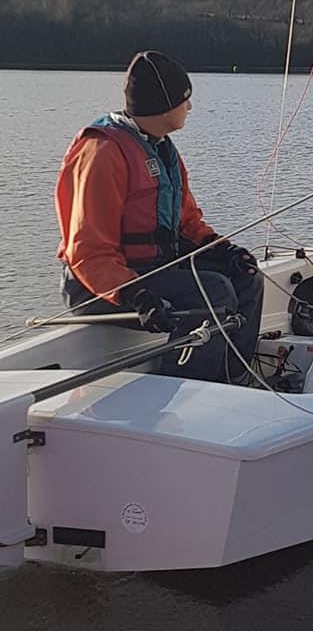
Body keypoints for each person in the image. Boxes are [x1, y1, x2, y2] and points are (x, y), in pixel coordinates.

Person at [55, 50, 264, 382]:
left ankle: (234, 380)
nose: (190, 108)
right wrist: (135, 295)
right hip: (102, 287)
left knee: (247, 277)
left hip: (154, 270)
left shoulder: (160, 147)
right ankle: (186, 389)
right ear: (163, 104)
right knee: (212, 291)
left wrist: (222, 250)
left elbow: (187, 223)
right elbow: (88, 250)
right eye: (185, 100)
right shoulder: (103, 153)